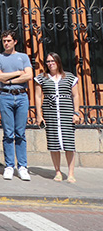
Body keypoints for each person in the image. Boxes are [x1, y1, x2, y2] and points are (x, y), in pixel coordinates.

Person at [0, 30, 33, 181]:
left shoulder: (23, 57)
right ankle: (9, 166)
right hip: (5, 96)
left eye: (9, 40)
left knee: (20, 132)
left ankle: (22, 166)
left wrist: (7, 79)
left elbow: (29, 75)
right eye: (4, 41)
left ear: (15, 42)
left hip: (21, 95)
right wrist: (16, 74)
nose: (6, 43)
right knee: (8, 132)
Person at [34, 52, 80, 183]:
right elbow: (38, 97)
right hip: (51, 113)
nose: (50, 63)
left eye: (53, 61)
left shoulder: (70, 77)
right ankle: (58, 171)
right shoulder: (41, 78)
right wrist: (39, 115)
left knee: (69, 143)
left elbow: (76, 96)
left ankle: (71, 173)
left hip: (66, 112)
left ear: (58, 62)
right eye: (48, 61)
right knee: (54, 143)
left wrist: (76, 112)